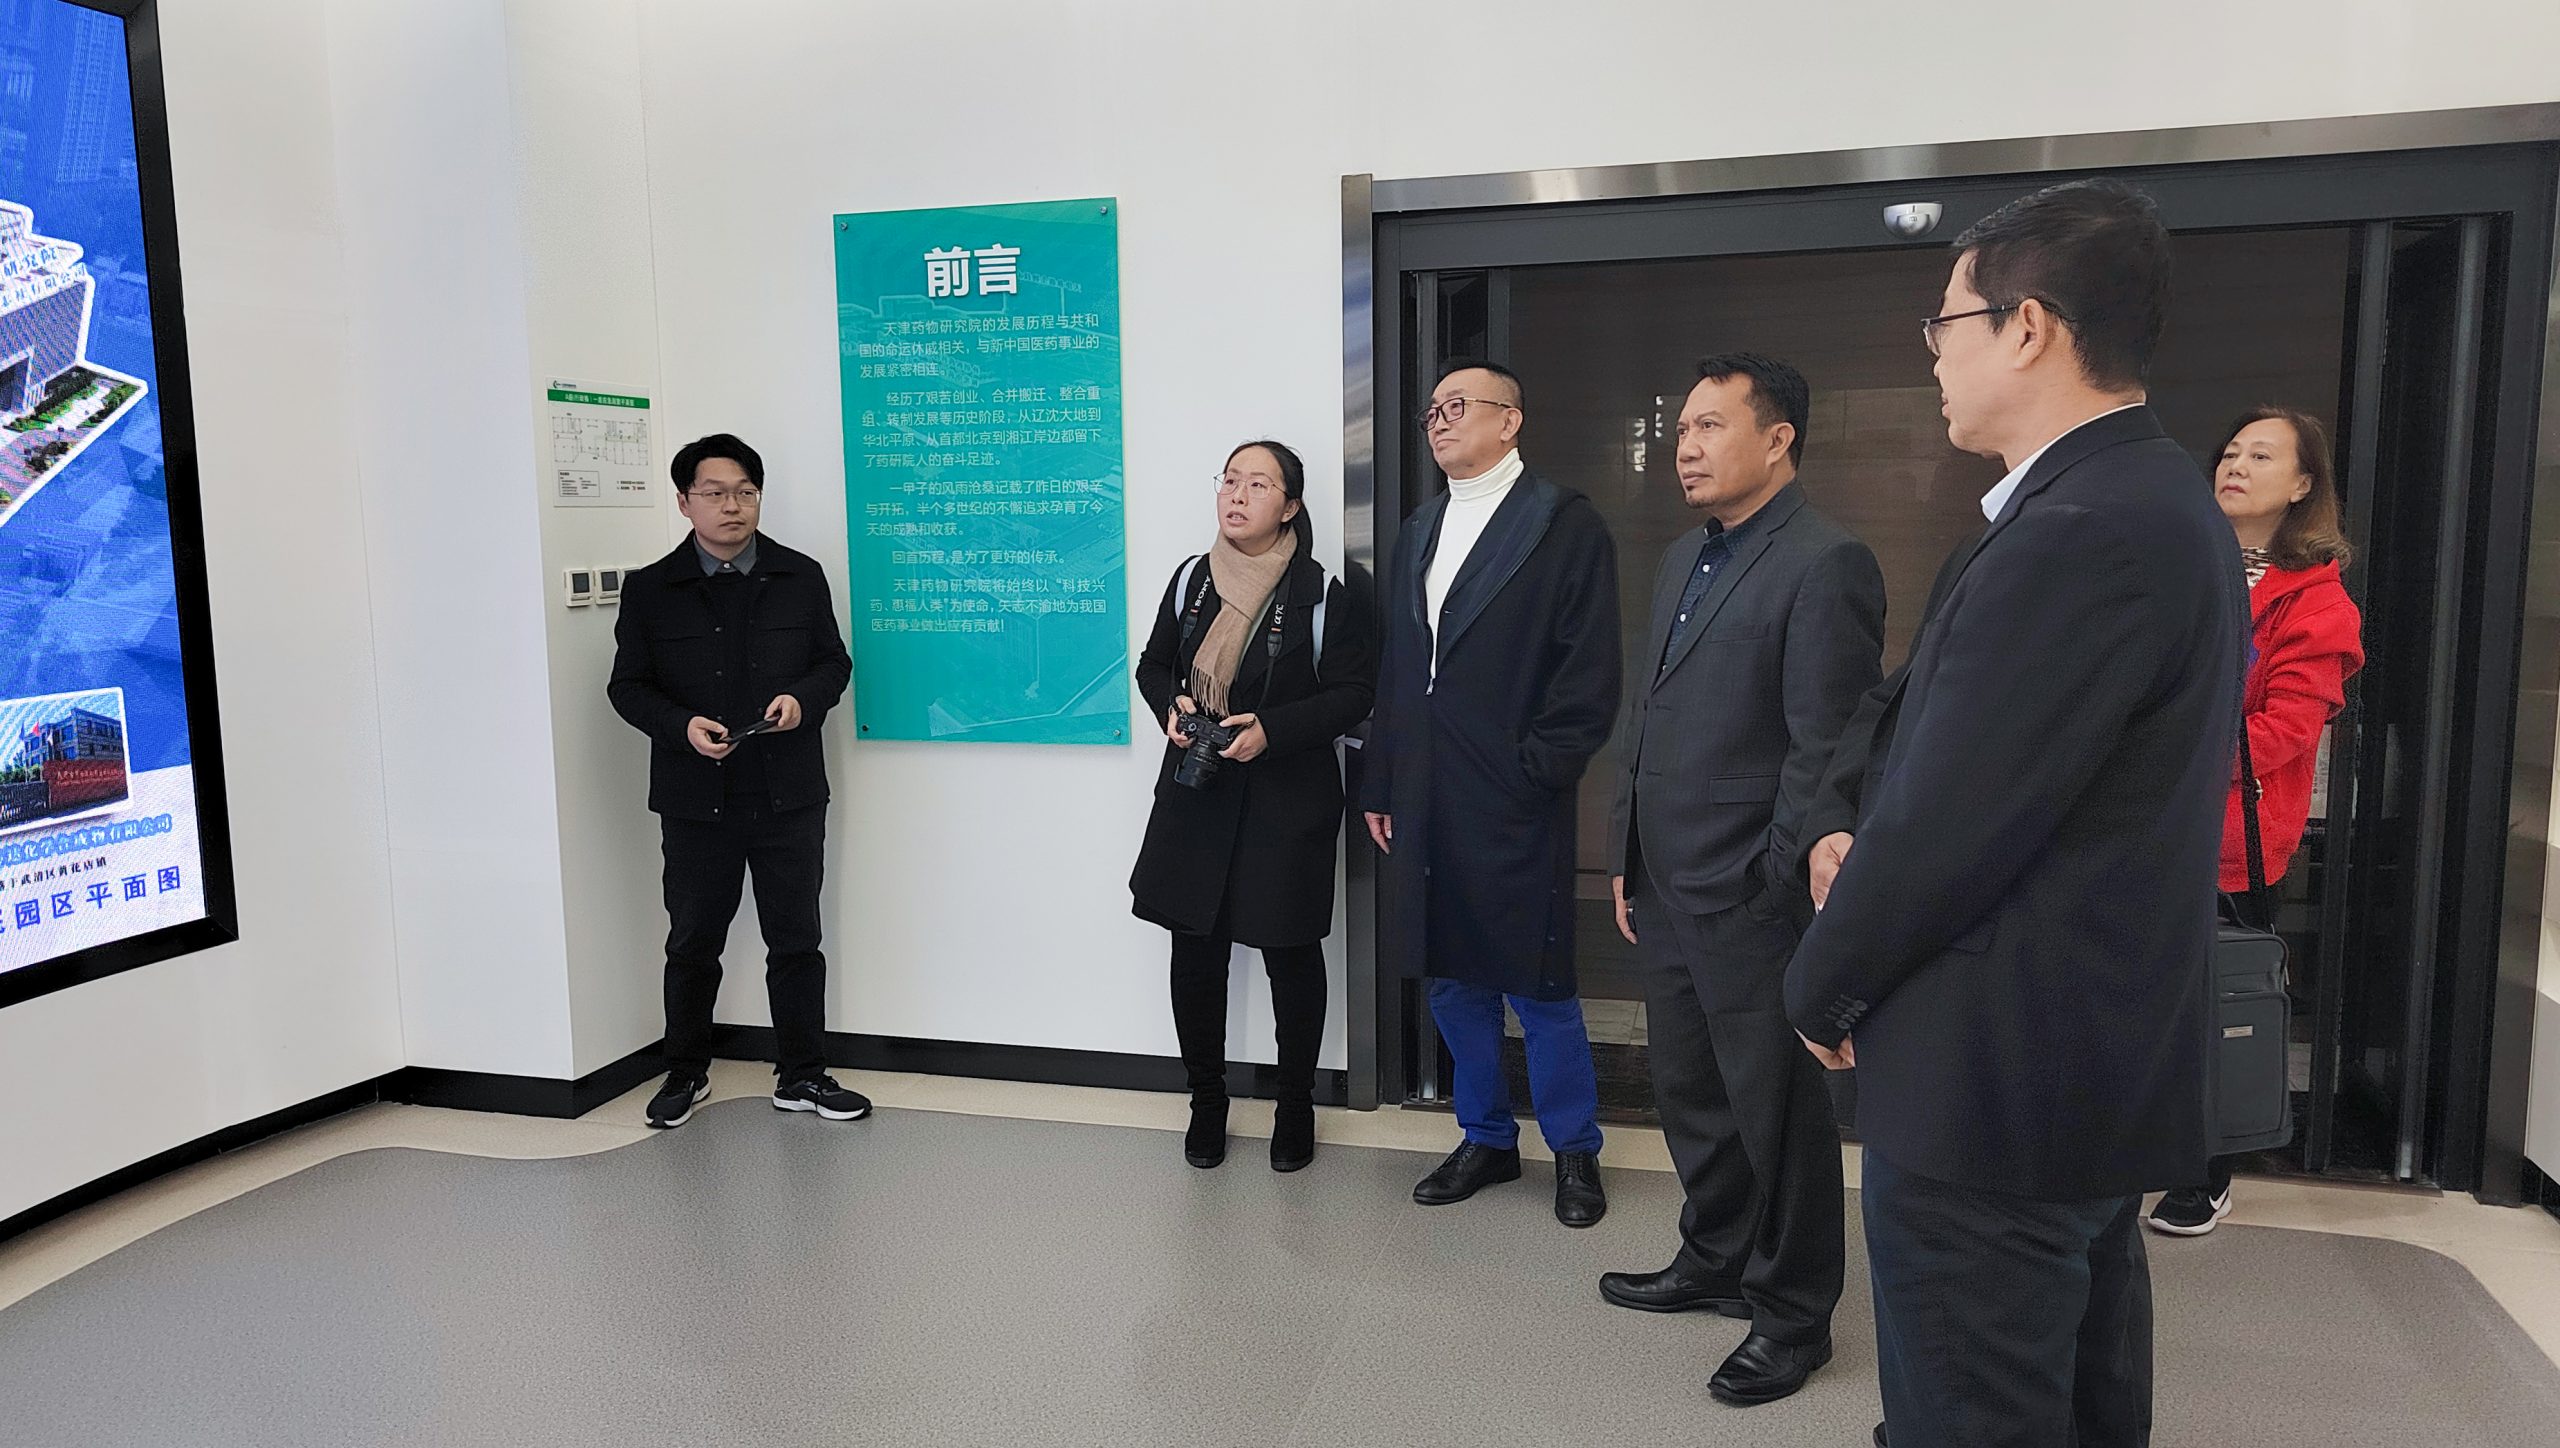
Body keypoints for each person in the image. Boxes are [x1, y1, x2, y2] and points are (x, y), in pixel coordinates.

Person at [1781, 179, 2247, 1448]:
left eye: (1946, 323)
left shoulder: (2078, 530)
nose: (1933, 355)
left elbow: (1952, 825)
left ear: (2026, 325)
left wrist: (1820, 986)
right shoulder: (2154, 501)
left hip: (1993, 1084)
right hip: (2077, 1065)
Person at [1600, 354, 1884, 1406]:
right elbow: (1648, 718)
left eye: (1710, 425)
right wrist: (1625, 852)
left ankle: (1794, 1313)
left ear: (1778, 438)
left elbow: (1828, 747)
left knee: (1777, 1111)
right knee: (1690, 1090)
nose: (1686, 445)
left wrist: (1774, 880)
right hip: (1665, 880)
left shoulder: (1826, 561)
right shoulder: (1685, 555)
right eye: (1682, 428)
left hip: (1749, 893)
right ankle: (1714, 1254)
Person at [1361, 358, 1623, 1227]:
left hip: (1513, 793)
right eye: (1432, 410)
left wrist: (1536, 770)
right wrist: (1383, 778)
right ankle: (1486, 1138)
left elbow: (1589, 672)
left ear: (1510, 420)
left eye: (1458, 406)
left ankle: (1575, 1150)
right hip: (1425, 789)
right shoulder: (1421, 528)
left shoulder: (1562, 523)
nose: (1438, 421)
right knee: (1450, 978)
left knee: (1538, 982)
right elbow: (1400, 668)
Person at [1130, 439, 1377, 1172]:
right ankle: (1206, 1104)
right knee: (1194, 955)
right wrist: (1172, 708)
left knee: (1290, 955)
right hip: (1197, 793)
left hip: (1286, 803)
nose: (1237, 496)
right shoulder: (1192, 579)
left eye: (1258, 484)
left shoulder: (1325, 592)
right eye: (1230, 481)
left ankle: (1295, 1107)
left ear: (1291, 506)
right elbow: (1153, 665)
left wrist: (1272, 729)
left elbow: (1355, 694)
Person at [2148, 407, 2364, 1237]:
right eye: (2230, 451)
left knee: (2209, 1005)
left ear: (2303, 484)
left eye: (2261, 456)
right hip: (2141, 824)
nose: (2235, 465)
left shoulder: (2316, 603)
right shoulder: (2181, 562)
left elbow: (2282, 734)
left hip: (2226, 834)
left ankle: (2207, 1170)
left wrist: (2166, 756)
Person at [608, 433, 865, 1129]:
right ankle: (686, 1072)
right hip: (696, 799)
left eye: (746, 492)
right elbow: (627, 687)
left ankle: (802, 1075)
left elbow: (833, 663)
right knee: (693, 943)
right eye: (716, 493)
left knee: (796, 940)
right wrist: (680, 726)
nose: (733, 506)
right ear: (685, 502)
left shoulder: (799, 575)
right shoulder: (652, 588)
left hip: (788, 793)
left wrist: (802, 701)